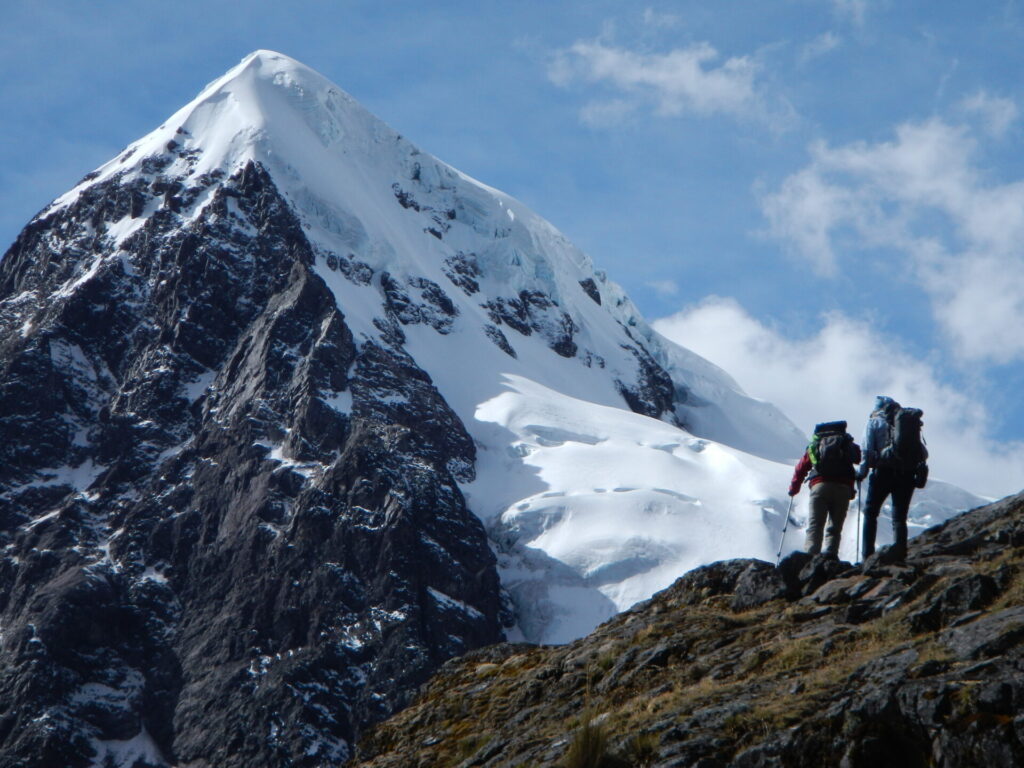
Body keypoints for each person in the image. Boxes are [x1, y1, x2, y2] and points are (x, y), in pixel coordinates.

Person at [857, 396, 929, 563]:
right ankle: (900, 554)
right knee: (899, 518)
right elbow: (924, 453)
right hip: (907, 474)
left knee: (871, 513)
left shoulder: (874, 422)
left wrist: (862, 472)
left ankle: (867, 557)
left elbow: (866, 451)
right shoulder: (906, 424)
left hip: (883, 472)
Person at [789, 421, 862, 557]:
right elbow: (859, 458)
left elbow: (801, 468)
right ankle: (830, 558)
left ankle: (809, 558)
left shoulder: (815, 445)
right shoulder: (847, 443)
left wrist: (794, 488)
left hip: (819, 486)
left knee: (815, 526)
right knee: (834, 528)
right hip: (843, 488)